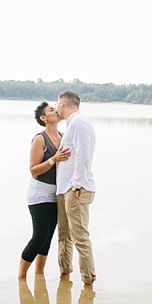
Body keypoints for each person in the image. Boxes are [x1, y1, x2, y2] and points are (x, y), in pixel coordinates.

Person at [18, 101, 70, 279]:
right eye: (51, 110)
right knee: (39, 236)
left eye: (55, 108)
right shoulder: (40, 139)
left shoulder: (64, 136)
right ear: (43, 118)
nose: (56, 111)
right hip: (39, 193)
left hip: (56, 194)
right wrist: (53, 159)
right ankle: (21, 277)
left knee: (48, 238)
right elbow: (33, 170)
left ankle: (39, 275)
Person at [55, 91, 97, 288]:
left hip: (75, 189)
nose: (56, 107)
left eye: (57, 104)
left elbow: (83, 156)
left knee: (79, 237)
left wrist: (77, 184)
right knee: (64, 235)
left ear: (63, 103)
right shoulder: (71, 124)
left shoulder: (79, 123)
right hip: (65, 189)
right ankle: (65, 276)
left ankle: (88, 281)